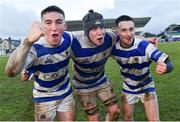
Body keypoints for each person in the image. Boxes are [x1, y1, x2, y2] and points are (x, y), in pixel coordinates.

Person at [5, 5, 75, 121]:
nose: (54, 28)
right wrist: (27, 42)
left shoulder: (69, 38)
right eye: (48, 23)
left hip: (65, 91)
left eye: (58, 22)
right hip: (44, 96)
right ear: (42, 27)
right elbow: (11, 72)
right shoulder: (36, 48)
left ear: (65, 26)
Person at [111, 15, 173, 121]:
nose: (129, 34)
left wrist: (166, 68)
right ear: (117, 31)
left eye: (131, 29)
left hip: (146, 86)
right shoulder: (113, 48)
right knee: (127, 118)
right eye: (124, 30)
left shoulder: (145, 46)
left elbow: (167, 62)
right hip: (128, 87)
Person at [70, 9, 120, 121]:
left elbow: (128, 38)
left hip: (102, 81)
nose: (100, 32)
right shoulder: (75, 44)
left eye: (102, 27)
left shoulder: (110, 37)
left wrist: (147, 39)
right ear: (86, 32)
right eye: (94, 29)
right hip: (83, 86)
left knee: (115, 111)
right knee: (94, 118)